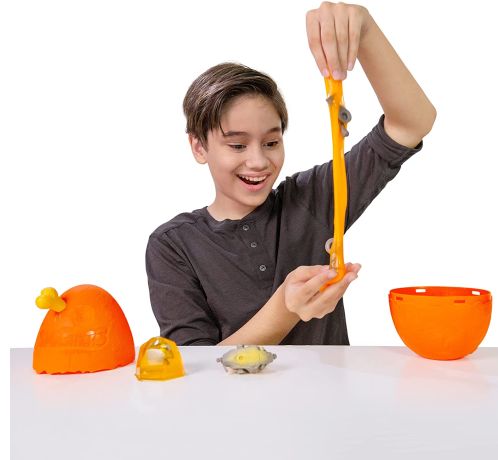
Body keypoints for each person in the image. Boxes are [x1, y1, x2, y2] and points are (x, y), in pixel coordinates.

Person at [146, 2, 436, 346]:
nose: (258, 161)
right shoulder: (173, 245)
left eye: (271, 142)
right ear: (199, 147)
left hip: (334, 385)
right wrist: (286, 309)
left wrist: (366, 29)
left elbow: (411, 124)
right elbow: (194, 367)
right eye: (237, 145)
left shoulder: (311, 199)